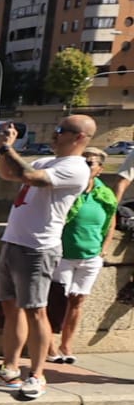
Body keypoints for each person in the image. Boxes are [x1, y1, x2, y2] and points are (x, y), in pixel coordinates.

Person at [0, 115, 95, 400]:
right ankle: (10, 369)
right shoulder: (47, 160)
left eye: (60, 130)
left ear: (79, 137)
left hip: (38, 248)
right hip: (13, 241)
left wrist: (8, 149)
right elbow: (9, 173)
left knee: (36, 311)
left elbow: (30, 177)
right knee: (10, 307)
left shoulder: (76, 168)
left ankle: (37, 375)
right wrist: (3, 147)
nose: (54, 134)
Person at [49, 146, 117, 364]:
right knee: (57, 301)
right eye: (82, 161)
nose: (85, 166)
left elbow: (111, 222)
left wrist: (104, 249)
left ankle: (66, 345)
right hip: (64, 254)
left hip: (91, 256)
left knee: (78, 301)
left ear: (100, 169)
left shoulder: (104, 194)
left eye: (90, 163)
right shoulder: (69, 190)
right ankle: (49, 347)